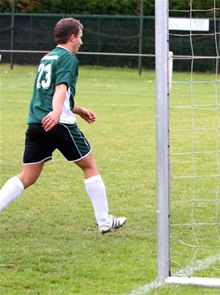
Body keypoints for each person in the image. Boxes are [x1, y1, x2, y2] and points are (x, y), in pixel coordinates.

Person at [0, 18, 126, 234]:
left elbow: (46, 93)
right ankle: (105, 221)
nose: (82, 42)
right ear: (72, 37)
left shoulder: (47, 58)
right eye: (80, 37)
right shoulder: (68, 57)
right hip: (59, 124)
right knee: (90, 166)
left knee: (26, 177)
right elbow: (60, 89)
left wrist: (77, 109)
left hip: (36, 123)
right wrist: (58, 113)